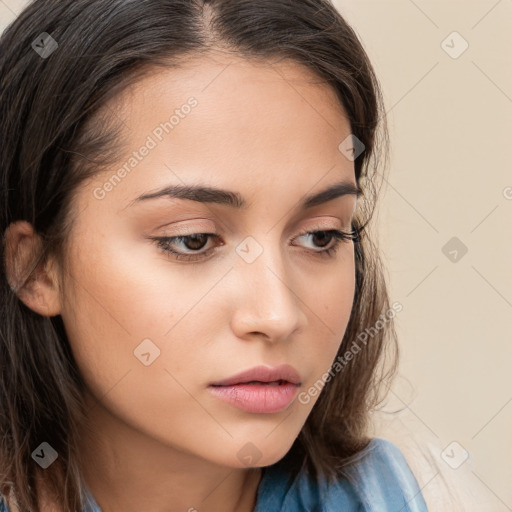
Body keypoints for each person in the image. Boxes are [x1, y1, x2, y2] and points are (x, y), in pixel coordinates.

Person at [0, 1, 428, 511]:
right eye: (193, 239)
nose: (278, 315)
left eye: (320, 237)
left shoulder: (397, 495)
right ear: (36, 267)